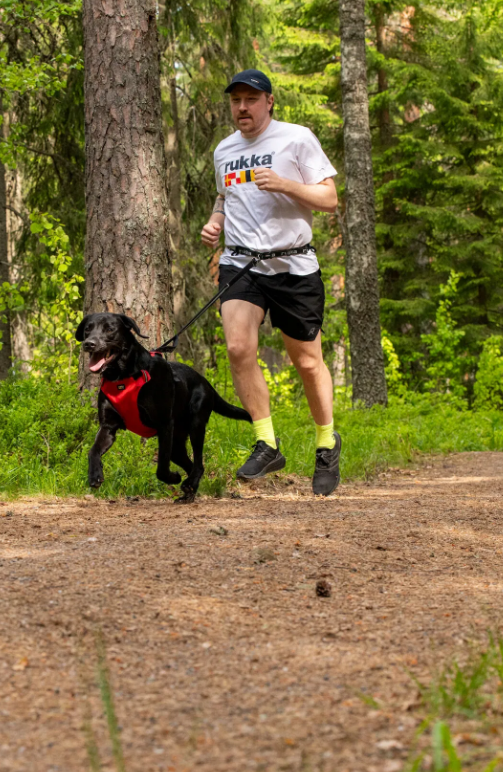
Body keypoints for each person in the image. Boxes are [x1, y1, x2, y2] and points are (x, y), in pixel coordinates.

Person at [200, 69, 342, 496]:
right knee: (238, 347)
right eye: (235, 101)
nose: (242, 108)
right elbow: (226, 196)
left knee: (306, 363)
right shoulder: (224, 151)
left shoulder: (296, 139)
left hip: (293, 266)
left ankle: (326, 442)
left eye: (250, 99)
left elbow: (330, 199)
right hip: (241, 265)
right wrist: (214, 221)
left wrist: (285, 184)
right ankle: (266, 442)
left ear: (269, 101)